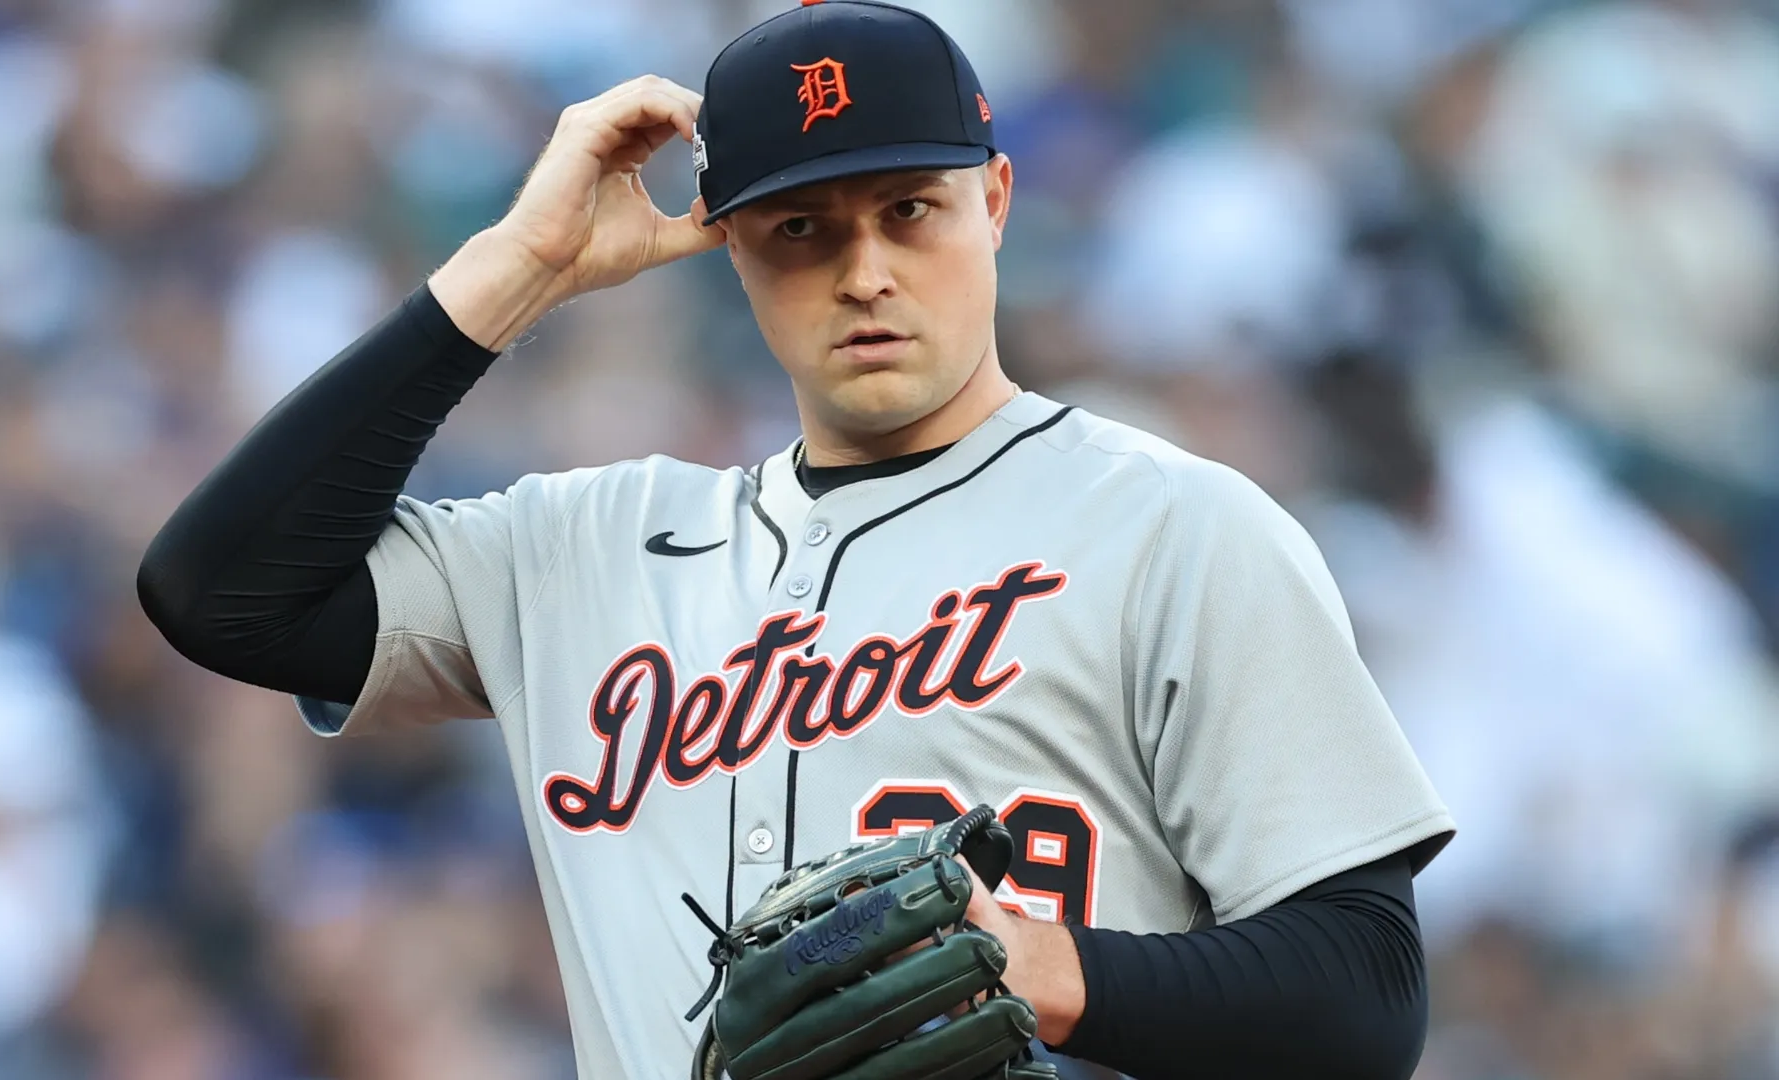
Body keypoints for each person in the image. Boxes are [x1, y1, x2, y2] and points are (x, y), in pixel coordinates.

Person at [137, 2, 1455, 1077]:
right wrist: (513, 271)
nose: (865, 270)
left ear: (995, 199)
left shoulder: (1177, 526)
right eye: (802, 228)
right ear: (728, 247)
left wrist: (1047, 968)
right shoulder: (583, 547)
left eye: (910, 210)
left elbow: (1366, 991)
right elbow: (218, 593)